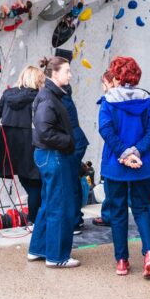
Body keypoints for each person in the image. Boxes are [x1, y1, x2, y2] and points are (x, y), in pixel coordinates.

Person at [97, 56, 150, 278]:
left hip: (115, 165)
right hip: (141, 165)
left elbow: (105, 130)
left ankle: (122, 261)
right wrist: (137, 151)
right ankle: (149, 254)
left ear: (116, 75)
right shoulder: (146, 100)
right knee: (142, 209)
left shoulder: (108, 101)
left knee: (118, 212)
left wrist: (124, 153)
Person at [27, 56, 81, 268]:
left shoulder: (49, 95)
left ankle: (39, 248)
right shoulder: (49, 98)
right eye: (66, 71)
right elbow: (45, 131)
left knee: (50, 203)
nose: (69, 74)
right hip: (54, 155)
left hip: (49, 155)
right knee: (60, 205)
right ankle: (57, 256)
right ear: (54, 73)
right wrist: (69, 142)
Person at [0, 65, 44, 224]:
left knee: (30, 183)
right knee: (35, 185)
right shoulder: (38, 97)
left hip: (9, 147)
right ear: (35, 80)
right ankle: (33, 220)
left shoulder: (7, 94)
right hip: (30, 146)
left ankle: (34, 218)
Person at [61, 80, 90, 233]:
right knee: (73, 182)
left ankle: (74, 221)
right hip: (76, 141)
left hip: (73, 143)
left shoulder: (61, 98)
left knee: (71, 183)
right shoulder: (64, 95)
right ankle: (76, 219)